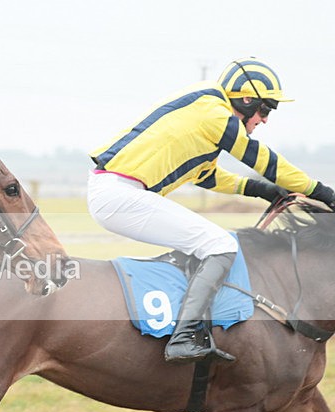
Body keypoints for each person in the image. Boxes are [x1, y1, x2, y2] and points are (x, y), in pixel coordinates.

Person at [87, 57, 335, 364]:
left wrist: (260, 189)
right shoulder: (214, 113)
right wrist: (323, 193)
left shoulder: (206, 107)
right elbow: (264, 160)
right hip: (120, 194)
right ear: (246, 100)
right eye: (265, 109)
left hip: (119, 192)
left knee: (209, 243)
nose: (265, 119)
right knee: (220, 245)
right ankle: (185, 335)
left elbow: (206, 175)